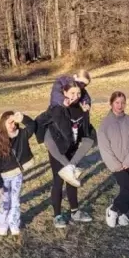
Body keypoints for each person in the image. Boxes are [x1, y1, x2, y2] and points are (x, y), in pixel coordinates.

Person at [38, 77, 96, 228]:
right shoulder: (57, 106)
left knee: (72, 179)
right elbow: (43, 126)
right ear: (64, 92)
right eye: (72, 93)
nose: (75, 96)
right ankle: (57, 215)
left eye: (78, 93)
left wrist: (86, 113)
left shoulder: (81, 107)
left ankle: (75, 211)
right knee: (58, 181)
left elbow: (85, 130)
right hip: (59, 150)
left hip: (73, 148)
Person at [97, 91, 129, 228]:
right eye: (117, 102)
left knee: (125, 190)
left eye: (122, 102)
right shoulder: (105, 124)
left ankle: (122, 213)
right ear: (111, 103)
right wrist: (116, 164)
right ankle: (113, 210)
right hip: (116, 164)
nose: (120, 105)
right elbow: (104, 148)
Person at [0, 110, 35, 236]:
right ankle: (2, 227)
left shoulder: (21, 135)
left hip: (17, 175)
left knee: (15, 201)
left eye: (15, 122)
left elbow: (32, 126)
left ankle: (14, 224)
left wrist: (23, 118)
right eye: (10, 122)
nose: (13, 125)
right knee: (4, 203)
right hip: (3, 178)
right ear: (3, 123)